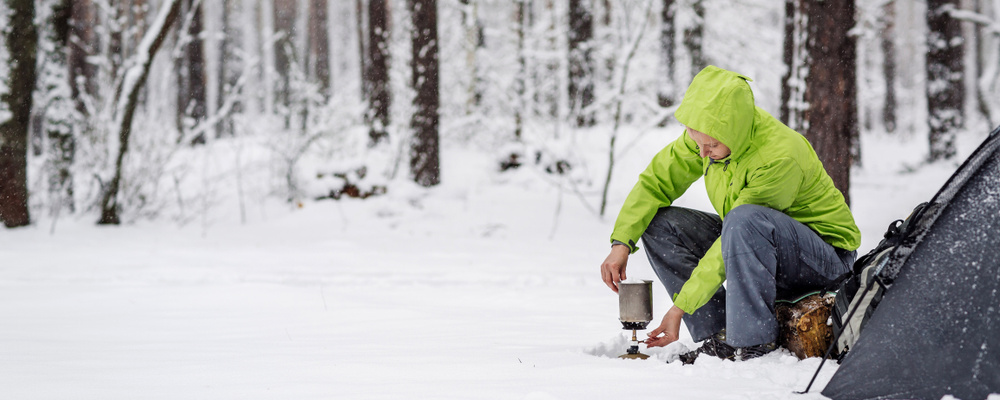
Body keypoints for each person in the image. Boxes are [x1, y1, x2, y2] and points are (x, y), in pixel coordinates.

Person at [600, 65, 860, 363]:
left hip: (822, 261)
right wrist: (621, 243)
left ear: (733, 131)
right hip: (754, 240)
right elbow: (656, 181)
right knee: (661, 224)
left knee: (743, 220)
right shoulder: (707, 138)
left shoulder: (778, 157)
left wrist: (680, 307)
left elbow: (740, 230)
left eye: (711, 145)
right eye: (697, 143)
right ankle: (719, 332)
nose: (702, 154)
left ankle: (752, 343)